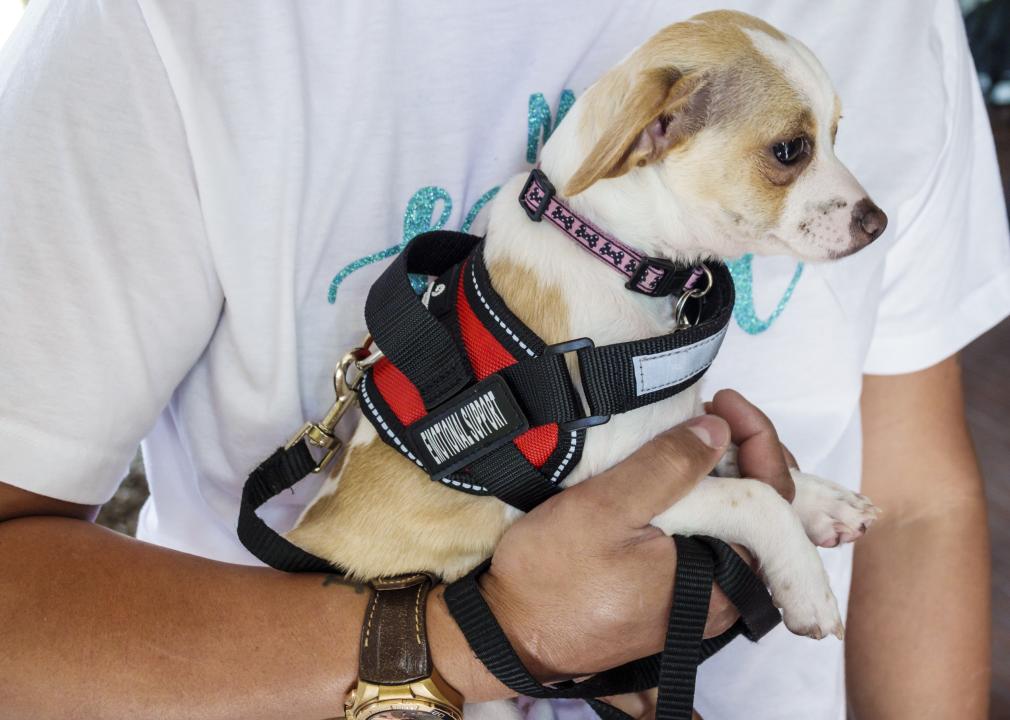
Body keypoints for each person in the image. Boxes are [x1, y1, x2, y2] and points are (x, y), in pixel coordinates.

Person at [0, 1, 1007, 718]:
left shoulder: (893, 18)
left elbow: (916, 504)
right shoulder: (170, 25)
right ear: (646, 134)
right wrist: (486, 637)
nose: (844, 192)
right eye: (789, 151)